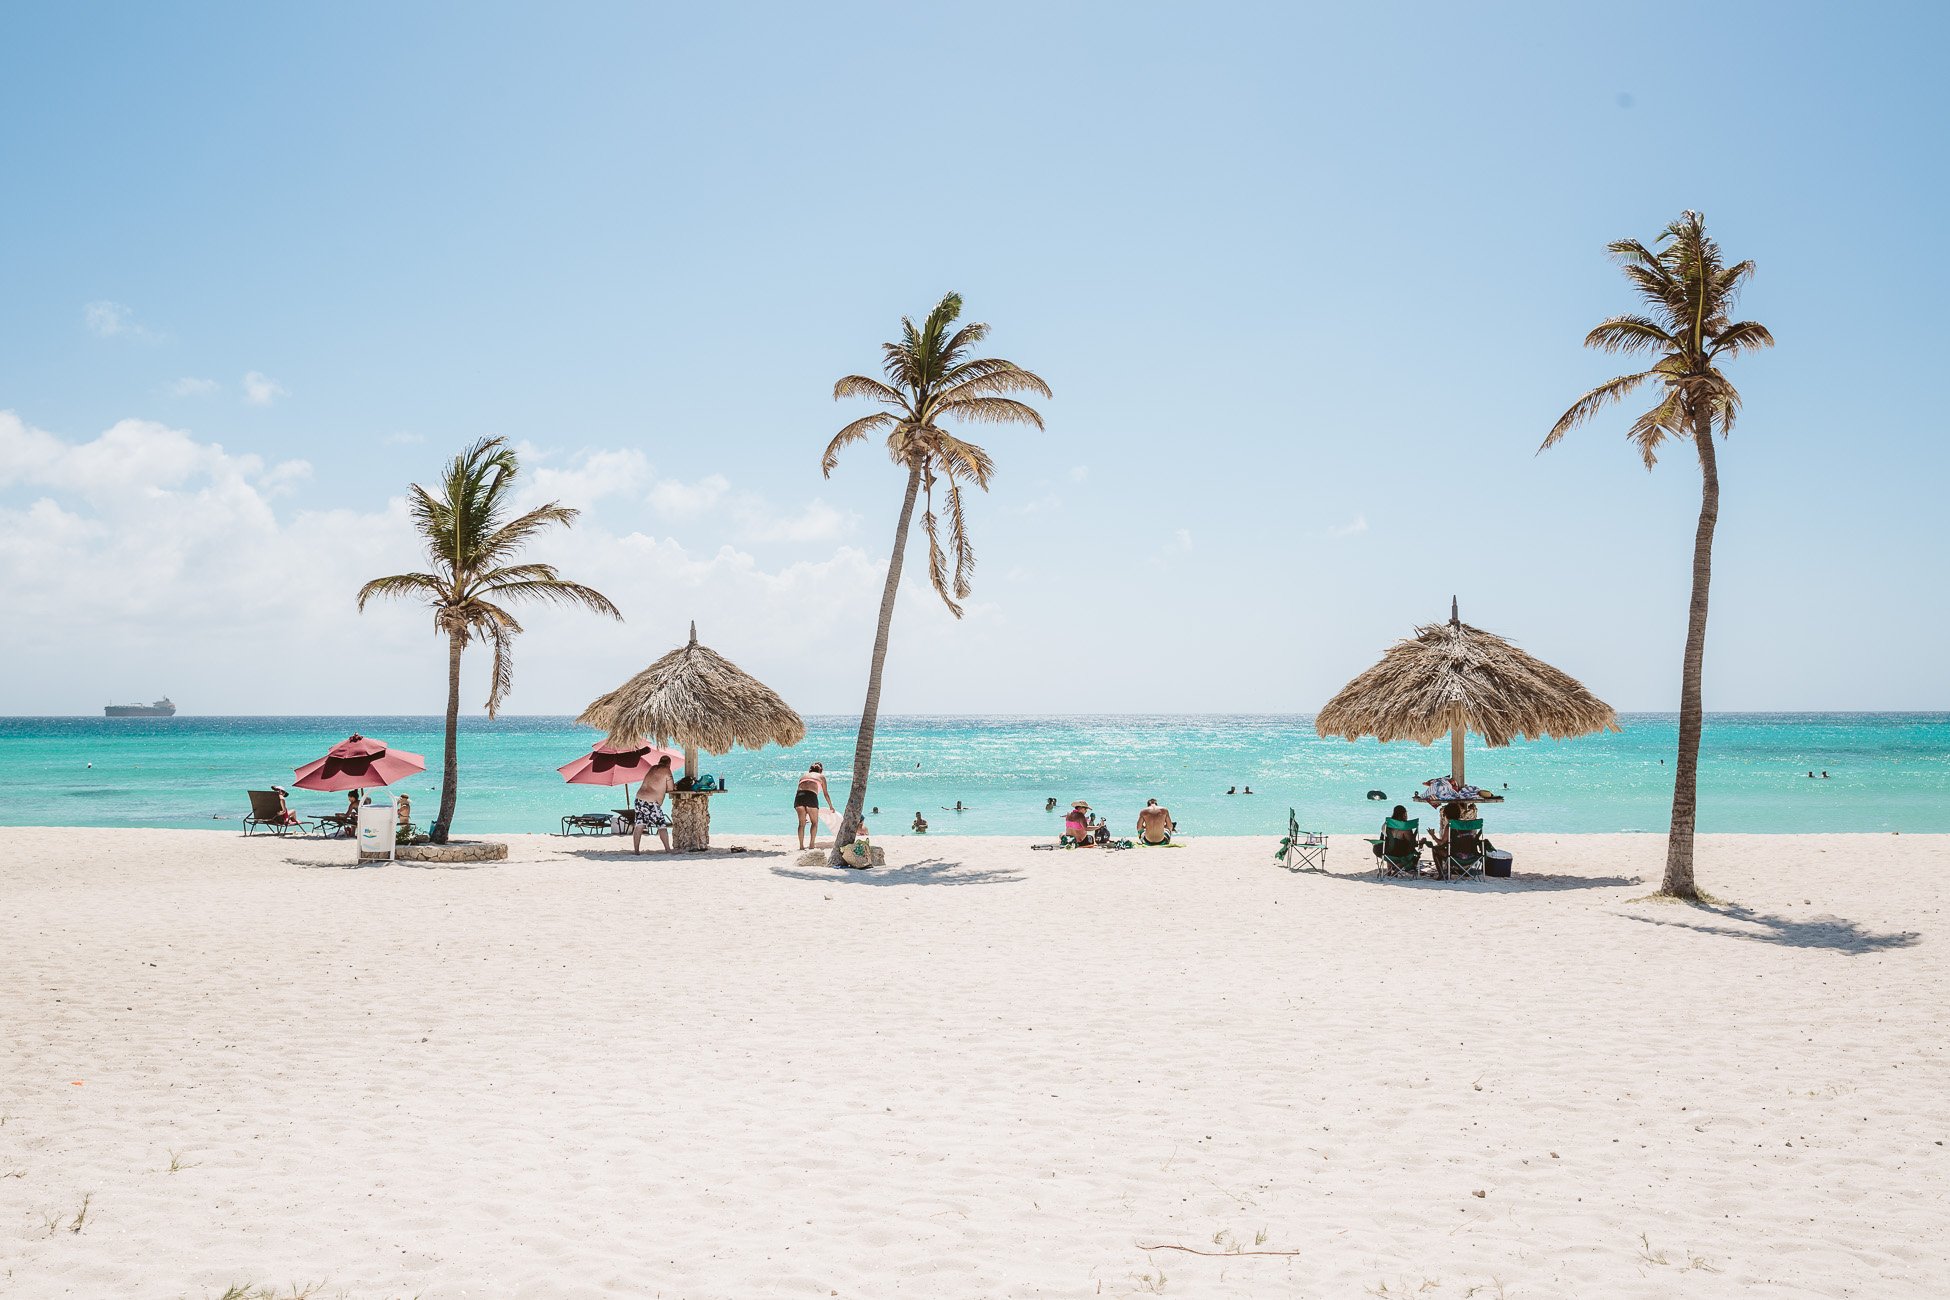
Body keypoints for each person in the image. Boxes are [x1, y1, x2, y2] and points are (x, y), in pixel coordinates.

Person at [632, 756, 676, 854]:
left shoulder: (652, 768)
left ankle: (636, 851)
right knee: (661, 825)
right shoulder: (666, 770)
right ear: (669, 763)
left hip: (639, 799)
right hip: (651, 802)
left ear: (659, 761)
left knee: (639, 825)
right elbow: (671, 789)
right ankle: (668, 849)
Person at [794, 761, 835, 850]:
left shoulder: (803, 776)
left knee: (801, 824)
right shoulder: (821, 777)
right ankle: (811, 845)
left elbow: (801, 788)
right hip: (811, 796)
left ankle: (801, 846)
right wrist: (831, 806)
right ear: (821, 770)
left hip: (799, 796)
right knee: (814, 822)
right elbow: (825, 794)